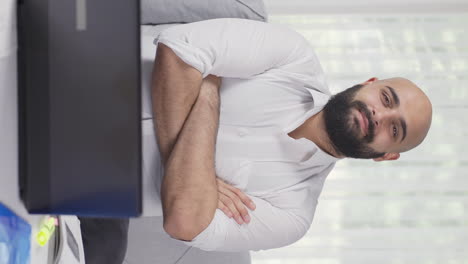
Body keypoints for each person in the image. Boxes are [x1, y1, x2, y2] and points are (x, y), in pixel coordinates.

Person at [150, 18, 432, 252]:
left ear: (386, 156)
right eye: (385, 98)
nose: (378, 116)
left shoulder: (291, 215)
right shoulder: (293, 55)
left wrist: (209, 87)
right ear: (368, 83)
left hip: (110, 189)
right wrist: (190, 180)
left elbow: (184, 221)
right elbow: (176, 49)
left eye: (394, 129)